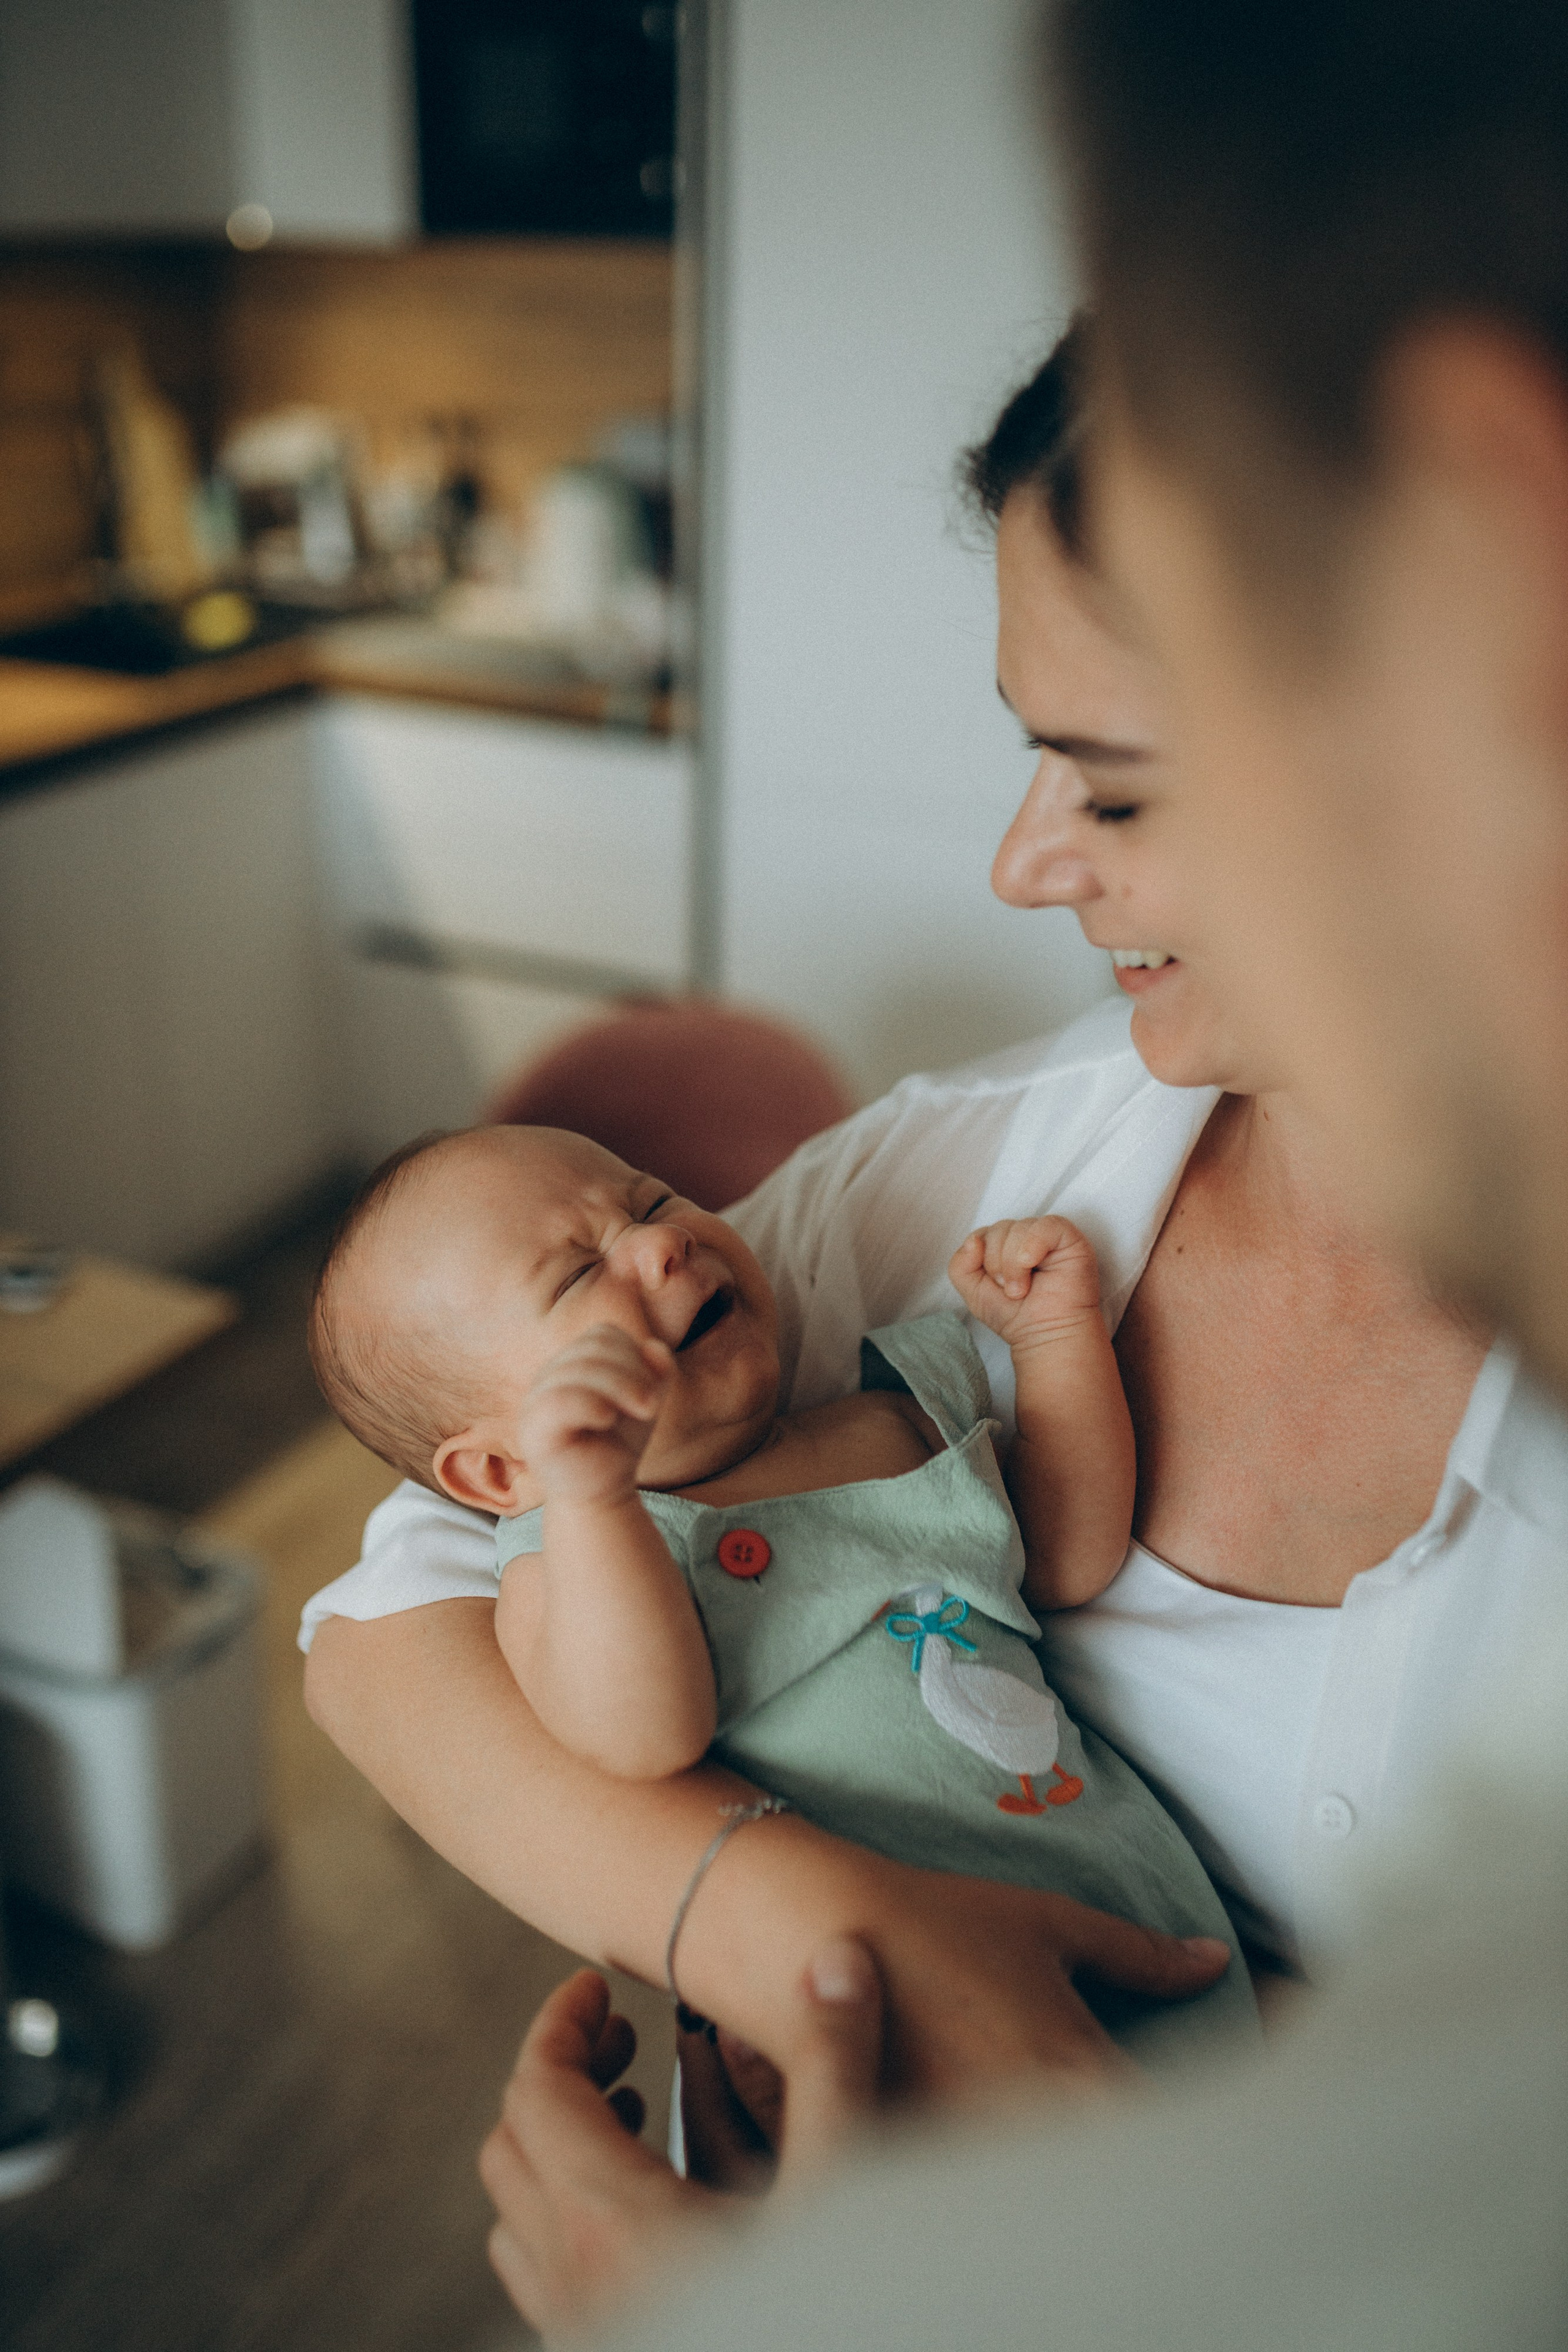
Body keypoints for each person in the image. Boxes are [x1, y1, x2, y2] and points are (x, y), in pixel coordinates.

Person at [472, 2, 1568, 2343]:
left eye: (1125, 783)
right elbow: (385, 1593)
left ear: (1512, 553)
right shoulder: (1023, 1157)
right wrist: (811, 1944)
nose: (1018, 863)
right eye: (1027, 758)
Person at [304, 1120, 1251, 2067]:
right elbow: (644, 1735)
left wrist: (1055, 1341)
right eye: (575, 1276)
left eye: (652, 1199)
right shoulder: (566, 1563)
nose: (655, 1244)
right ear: (498, 1475)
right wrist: (595, 1499)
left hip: (1120, 1891)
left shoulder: (890, 1417)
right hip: (873, 2019)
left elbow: (1067, 1556)